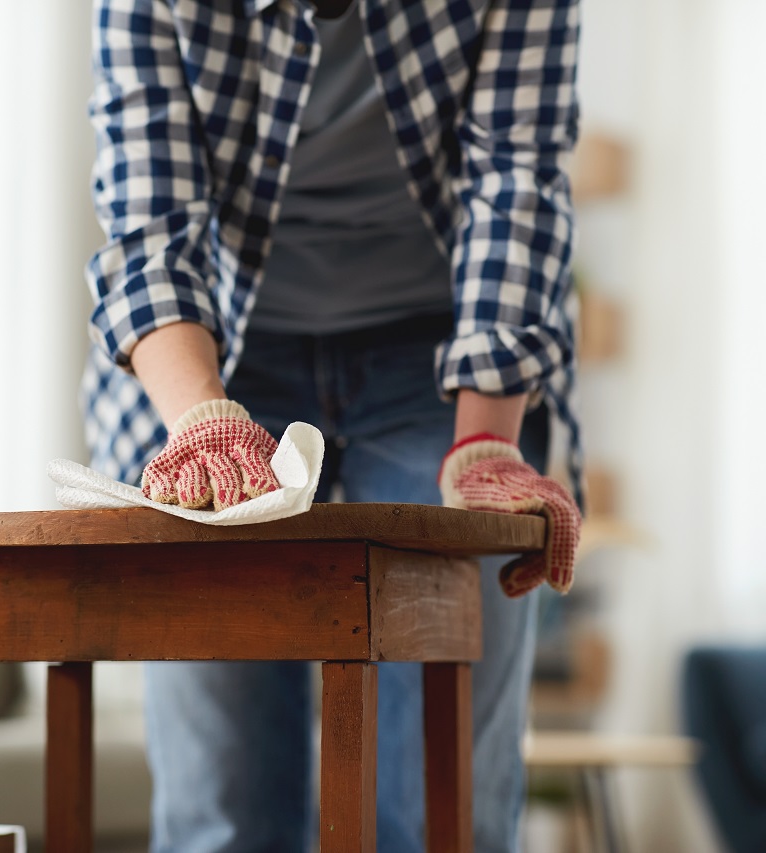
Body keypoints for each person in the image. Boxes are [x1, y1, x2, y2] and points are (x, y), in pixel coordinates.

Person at [80, 1, 583, 851]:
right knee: (222, 803)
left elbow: (518, 181)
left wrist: (487, 439)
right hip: (218, 355)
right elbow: (148, 218)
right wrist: (202, 416)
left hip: (437, 361)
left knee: (438, 809)